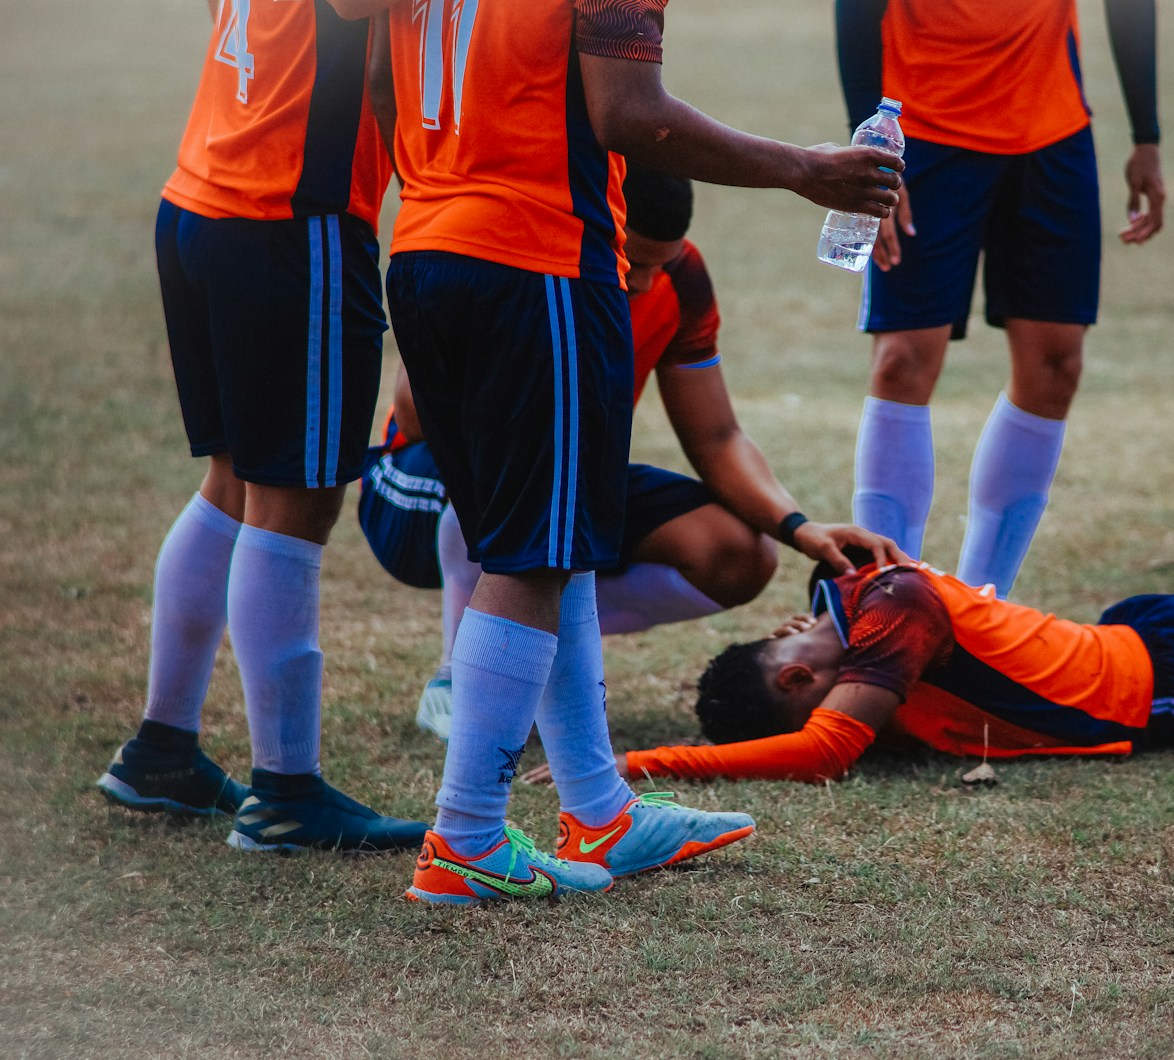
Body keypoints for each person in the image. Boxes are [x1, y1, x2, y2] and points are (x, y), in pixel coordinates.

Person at [338, 0, 905, 906]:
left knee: (539, 547)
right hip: (538, 260)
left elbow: (372, 67)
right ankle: (468, 840)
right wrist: (806, 169)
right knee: (536, 554)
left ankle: (599, 808)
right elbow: (632, 115)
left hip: (427, 247)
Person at [358, 164, 905, 740]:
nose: (645, 283)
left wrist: (799, 528)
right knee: (519, 470)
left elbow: (717, 437)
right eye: (633, 261)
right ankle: (460, 677)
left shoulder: (681, 279)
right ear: (596, 224)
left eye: (659, 264)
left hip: (563, 482)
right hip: (422, 488)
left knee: (736, 551)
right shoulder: (525, 250)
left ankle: (536, 651)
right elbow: (418, 413)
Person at [96, 0, 427, 854]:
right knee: (295, 503)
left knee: (235, 482)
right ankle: (285, 791)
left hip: (203, 195)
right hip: (287, 218)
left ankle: (161, 749)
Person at [522, 559, 1174, 786]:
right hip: (1149, 644)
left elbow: (824, 753)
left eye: (800, 676)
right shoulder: (863, 607)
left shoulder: (890, 618)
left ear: (799, 674)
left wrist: (640, 764)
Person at [837, 0, 1168, 600]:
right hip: (924, 129)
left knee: (1055, 366)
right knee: (902, 361)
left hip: (1051, 128)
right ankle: (884, 611)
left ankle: (983, 611)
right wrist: (872, 146)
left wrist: (1147, 136)